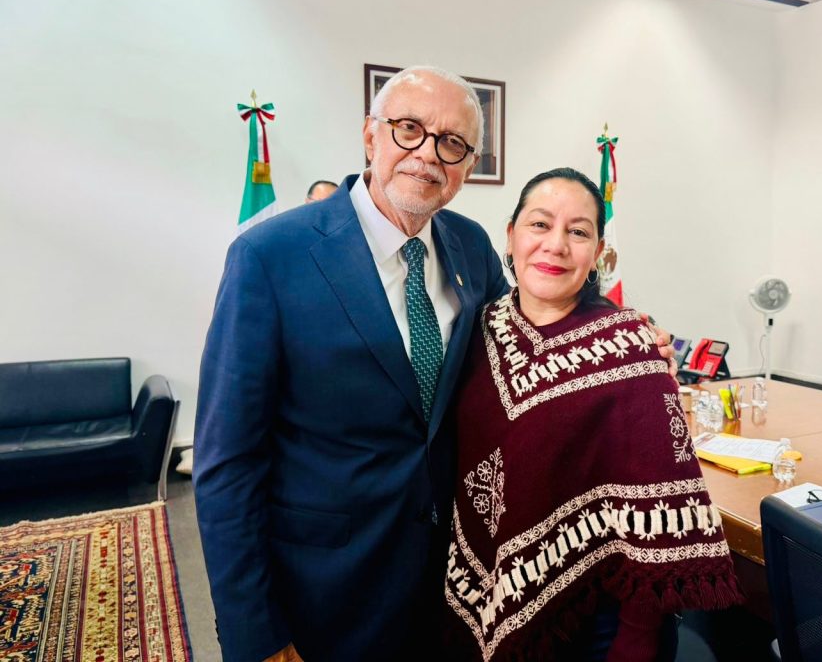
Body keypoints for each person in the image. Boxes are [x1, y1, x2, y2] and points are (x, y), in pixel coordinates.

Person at [194, 66, 676, 662]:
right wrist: (255, 633)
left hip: (445, 590)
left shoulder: (469, 245)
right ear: (370, 135)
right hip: (320, 592)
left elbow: (529, 330)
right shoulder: (271, 256)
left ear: (467, 166)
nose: (427, 154)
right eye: (408, 129)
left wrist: (626, 339)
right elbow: (228, 464)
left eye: (451, 143)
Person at [444, 168, 741, 661]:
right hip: (477, 595)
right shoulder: (477, 329)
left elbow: (659, 510)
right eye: (540, 224)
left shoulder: (631, 348)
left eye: (578, 232)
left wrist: (636, 641)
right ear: (511, 236)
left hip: (592, 621)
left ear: (599, 251)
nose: (556, 245)